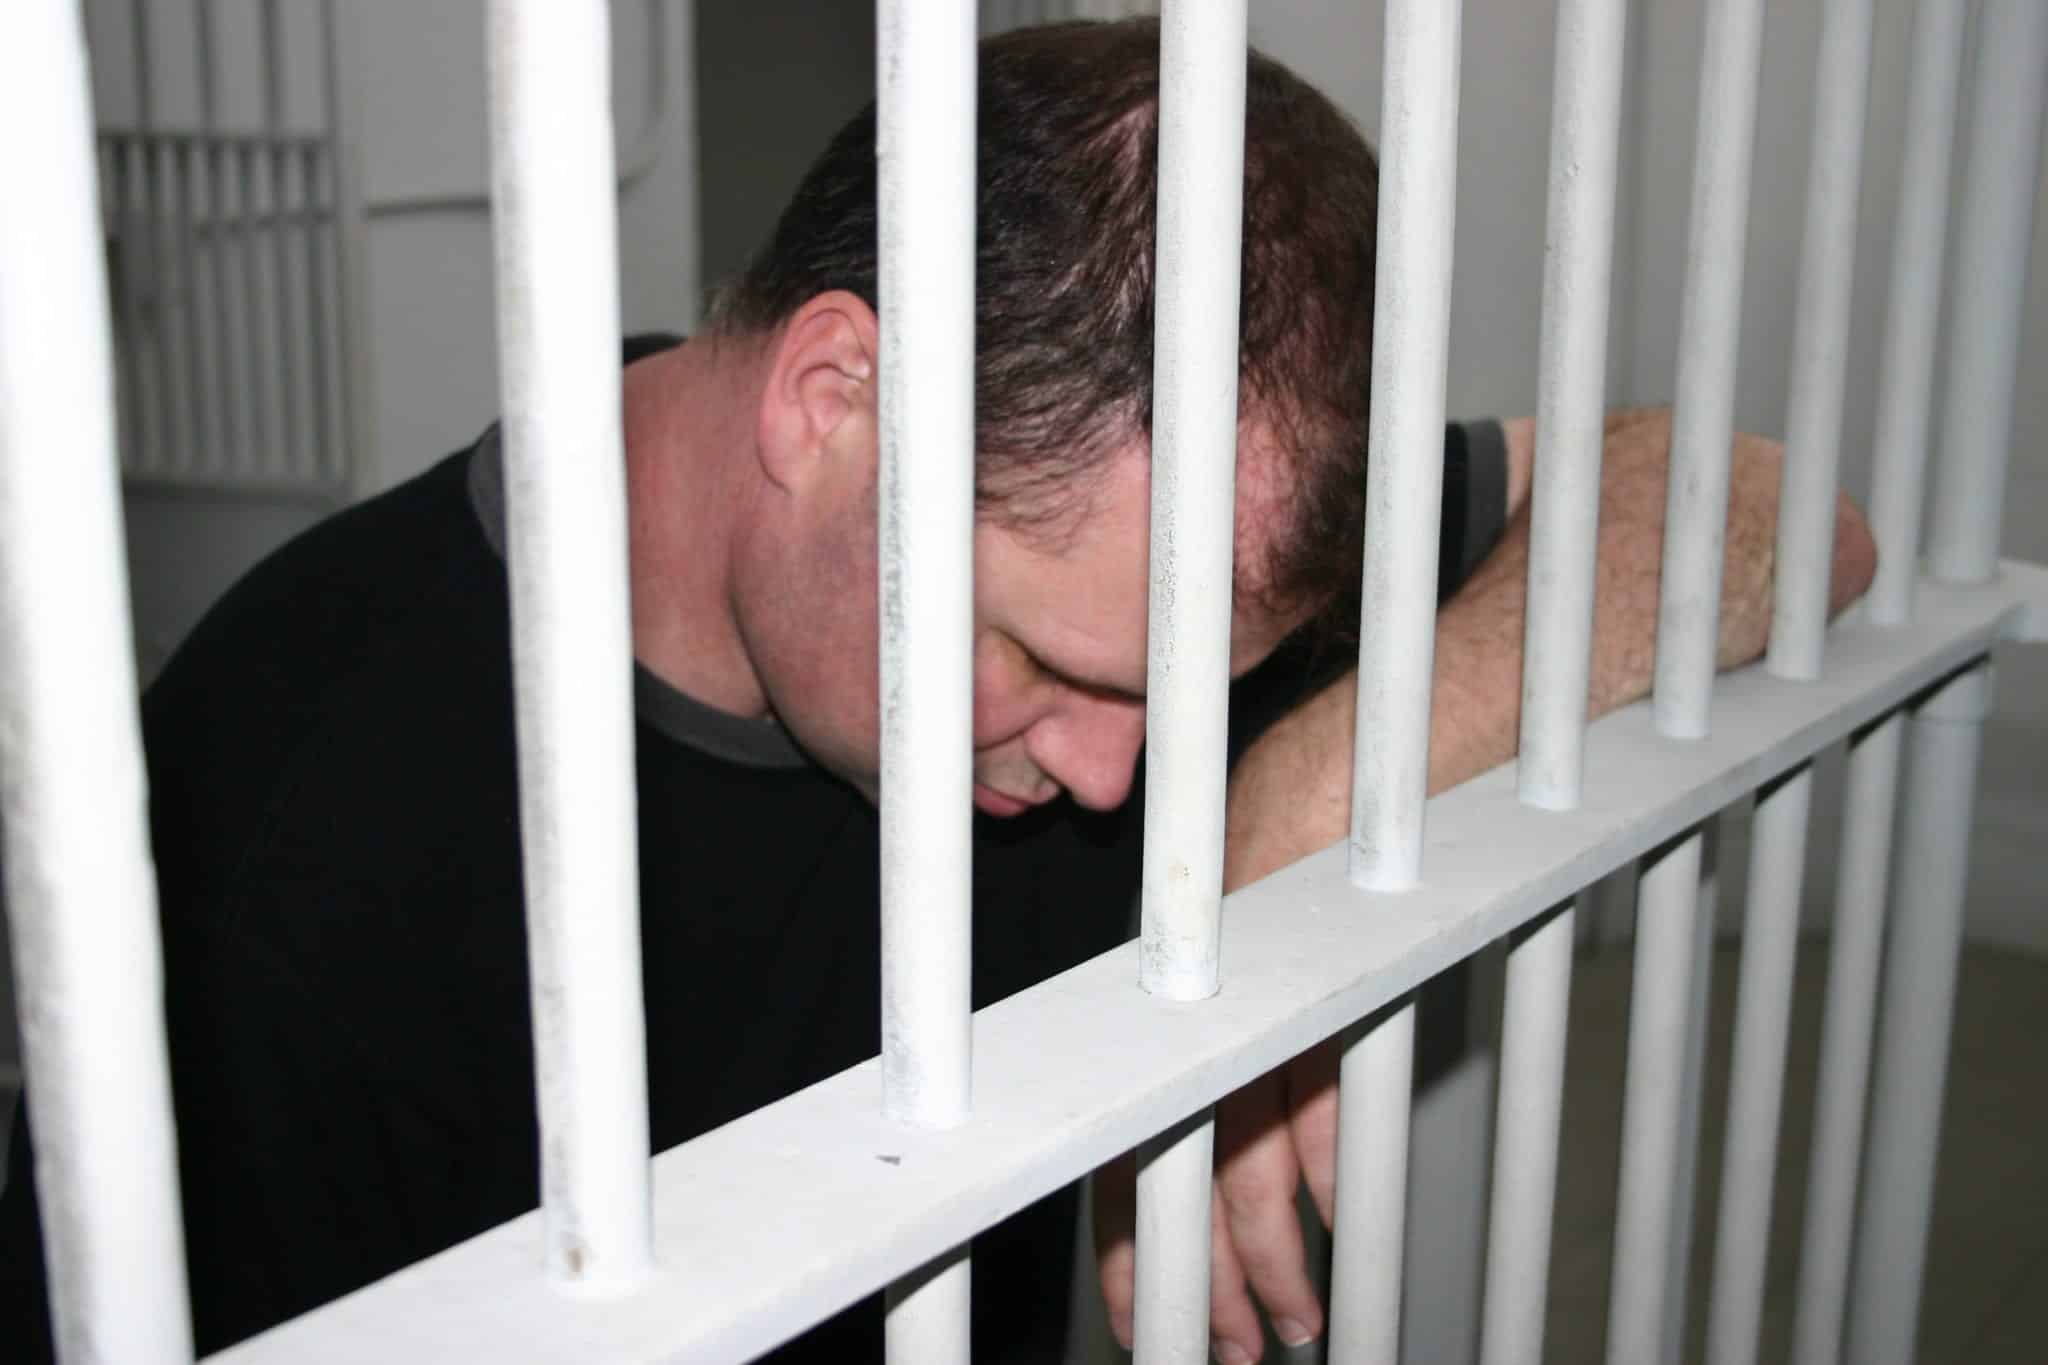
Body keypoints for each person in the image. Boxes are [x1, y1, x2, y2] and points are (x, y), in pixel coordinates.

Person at [0, 18, 1874, 1364]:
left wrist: (1292, 840)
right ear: (835, 404)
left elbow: (1772, 512)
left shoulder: (1136, 554)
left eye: (1181, 697)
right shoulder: (286, 819)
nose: (1118, 766)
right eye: (1048, 664)